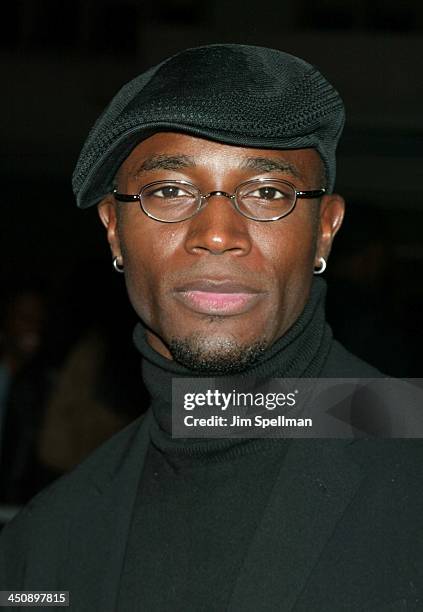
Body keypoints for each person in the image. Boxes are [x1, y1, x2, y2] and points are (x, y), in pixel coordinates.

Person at [0, 44, 422, 611]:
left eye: (268, 191)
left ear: (325, 229)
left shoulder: (407, 450)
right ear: (114, 231)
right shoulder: (44, 546)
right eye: (169, 192)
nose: (219, 232)